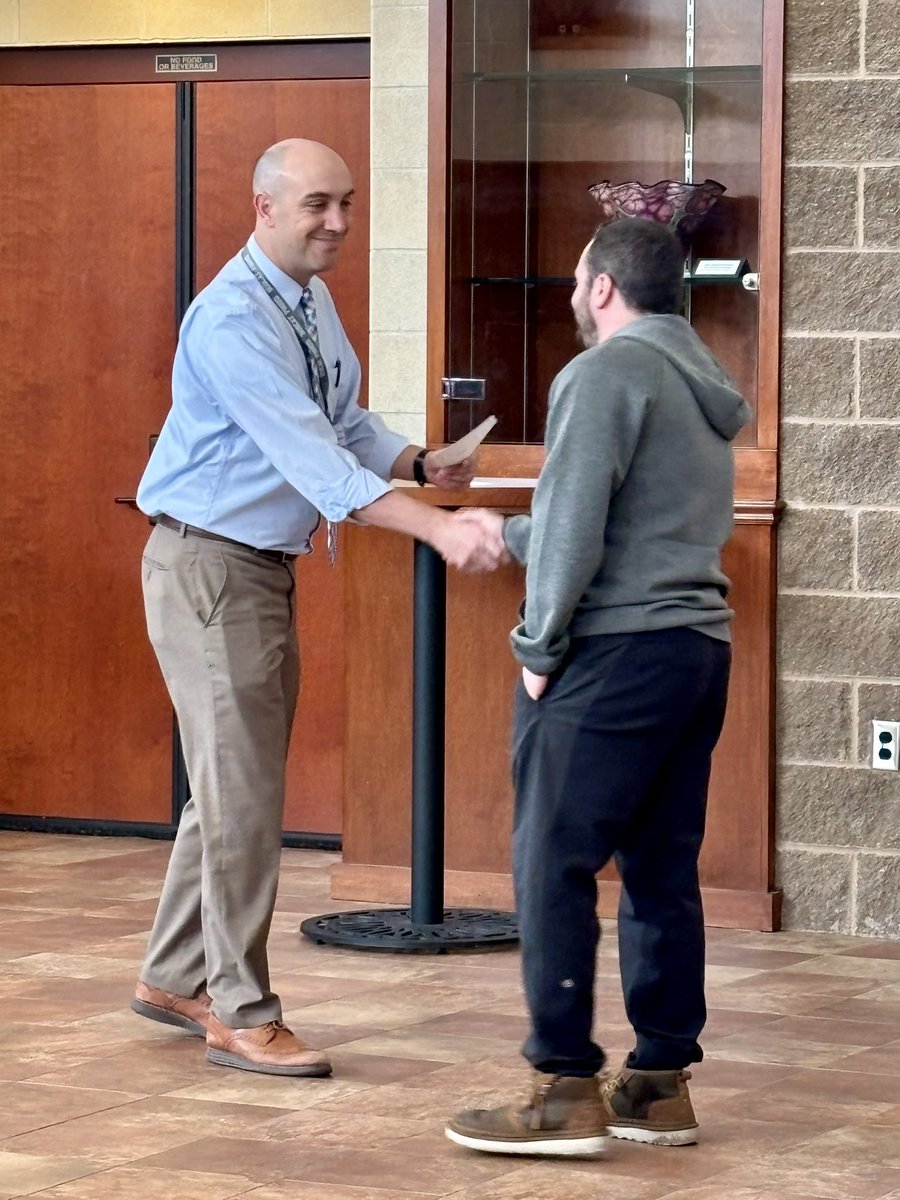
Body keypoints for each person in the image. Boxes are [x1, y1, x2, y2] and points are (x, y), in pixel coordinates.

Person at [131, 138, 506, 1078]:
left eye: (346, 204)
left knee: (233, 782)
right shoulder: (231, 319)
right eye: (317, 206)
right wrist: (437, 529)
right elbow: (317, 465)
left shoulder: (306, 299)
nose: (337, 223)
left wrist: (419, 461)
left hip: (255, 570)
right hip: (210, 567)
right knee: (243, 794)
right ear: (264, 207)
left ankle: (172, 976)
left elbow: (343, 424)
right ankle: (241, 1010)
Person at [446, 217, 750, 1156]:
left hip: (614, 652)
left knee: (553, 861)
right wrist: (518, 535)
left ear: (605, 286)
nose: (575, 296)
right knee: (660, 870)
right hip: (694, 651)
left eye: (580, 281)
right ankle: (658, 1084)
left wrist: (538, 645)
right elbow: (631, 519)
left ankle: (563, 1089)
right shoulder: (698, 380)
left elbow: (577, 522)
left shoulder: (604, 372)